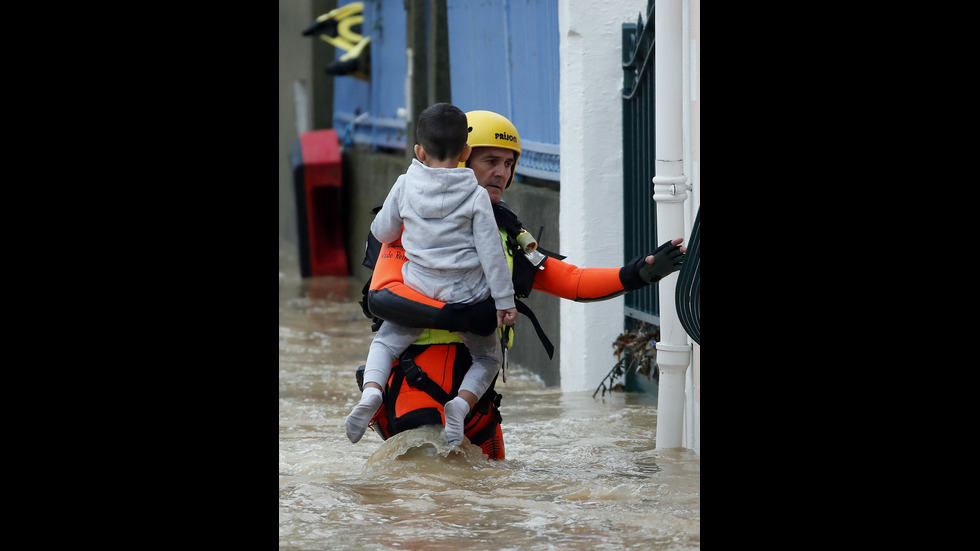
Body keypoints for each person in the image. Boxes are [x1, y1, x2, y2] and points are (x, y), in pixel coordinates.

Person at [356, 110, 686, 459]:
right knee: (428, 503)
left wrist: (636, 274)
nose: (502, 172)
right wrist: (459, 316)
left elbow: (572, 282)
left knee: (494, 501)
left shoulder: (509, 239)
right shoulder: (410, 225)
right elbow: (384, 296)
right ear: (462, 158)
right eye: (491, 161)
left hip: (473, 404)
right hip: (417, 389)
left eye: (509, 164)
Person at [345, 103, 518, 446]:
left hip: (420, 293)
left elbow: (382, 232)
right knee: (487, 357)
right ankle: (460, 405)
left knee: (385, 343)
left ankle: (372, 392)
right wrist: (504, 303)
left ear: (419, 151)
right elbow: (492, 255)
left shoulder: (404, 185)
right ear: (466, 152)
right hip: (466, 298)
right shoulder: (474, 195)